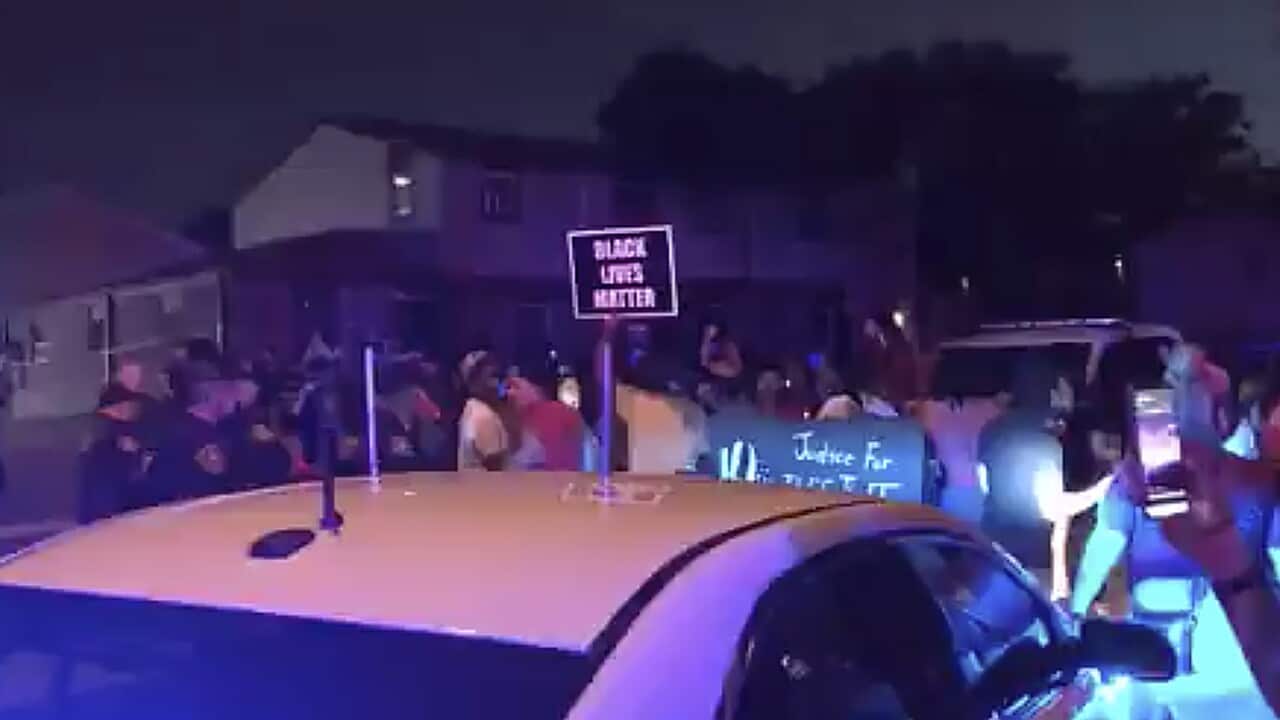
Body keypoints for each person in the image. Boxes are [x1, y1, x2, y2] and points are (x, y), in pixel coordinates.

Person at [140, 361, 234, 506]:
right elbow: (216, 465)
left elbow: (147, 460)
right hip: (187, 494)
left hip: (175, 495)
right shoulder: (193, 421)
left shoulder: (160, 418)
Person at [77, 384, 148, 522]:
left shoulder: (97, 429)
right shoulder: (110, 435)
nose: (135, 411)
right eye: (131, 406)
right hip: (110, 515)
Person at [507, 372, 586, 472]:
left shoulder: (556, 413)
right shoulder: (518, 415)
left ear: (536, 388)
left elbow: (557, 462)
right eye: (509, 387)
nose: (510, 393)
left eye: (516, 387)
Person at [457, 351, 513, 471]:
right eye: (492, 377)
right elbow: (497, 470)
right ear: (474, 382)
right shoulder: (484, 417)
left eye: (499, 377)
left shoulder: (471, 407)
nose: (498, 384)